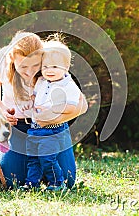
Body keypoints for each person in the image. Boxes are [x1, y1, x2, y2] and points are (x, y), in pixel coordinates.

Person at [0, 31, 88, 189]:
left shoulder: (50, 62)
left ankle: (45, 172)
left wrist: (50, 119)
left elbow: (83, 105)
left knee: (68, 179)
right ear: (12, 59)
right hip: (17, 127)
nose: (30, 71)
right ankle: (35, 173)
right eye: (23, 66)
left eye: (35, 65)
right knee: (12, 181)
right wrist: (3, 112)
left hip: (53, 128)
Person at [22, 40, 83, 191]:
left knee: (47, 158)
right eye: (45, 66)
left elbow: (72, 107)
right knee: (33, 159)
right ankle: (32, 183)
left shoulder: (68, 86)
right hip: (34, 129)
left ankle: (57, 183)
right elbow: (35, 98)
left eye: (55, 67)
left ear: (66, 68)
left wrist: (52, 111)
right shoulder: (42, 82)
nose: (49, 70)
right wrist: (30, 103)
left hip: (52, 130)